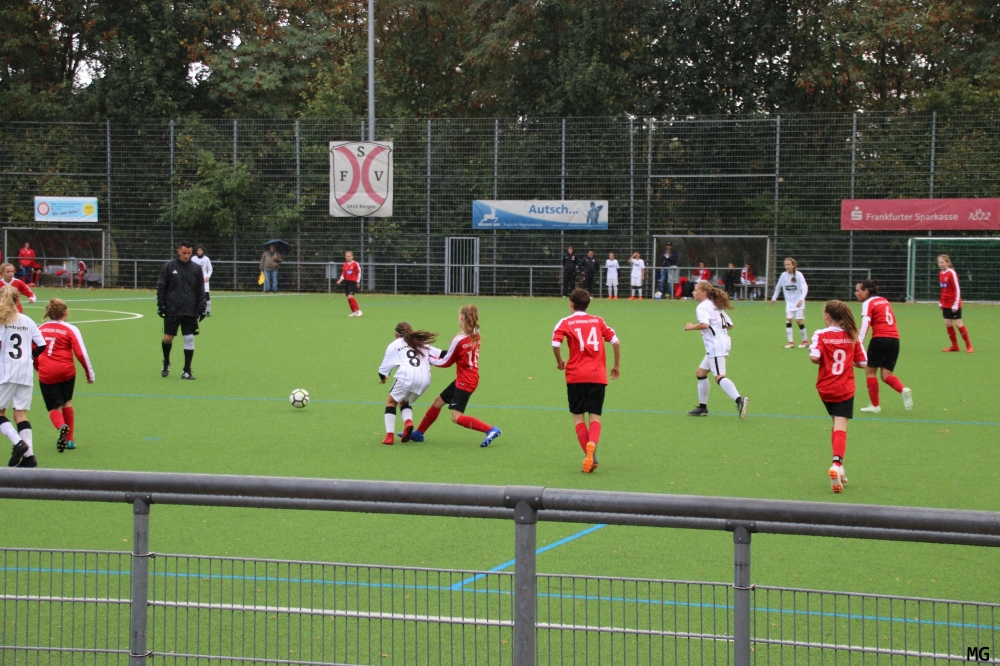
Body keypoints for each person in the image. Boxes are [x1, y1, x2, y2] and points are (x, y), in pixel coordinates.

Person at [410, 305, 502, 447]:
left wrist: (427, 359)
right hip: (469, 377)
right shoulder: (476, 333)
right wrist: (428, 349)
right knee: (438, 402)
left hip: (465, 381)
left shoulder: (459, 339)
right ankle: (419, 433)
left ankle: (490, 429)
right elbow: (451, 355)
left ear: (462, 318)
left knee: (456, 417)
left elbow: (446, 362)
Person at [552, 288, 621, 473]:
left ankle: (589, 455)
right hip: (597, 376)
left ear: (571, 304)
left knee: (578, 417)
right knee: (595, 416)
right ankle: (592, 447)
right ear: (587, 304)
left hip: (575, 376)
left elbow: (555, 343)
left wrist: (559, 361)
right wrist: (616, 365)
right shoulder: (598, 321)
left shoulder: (565, 322)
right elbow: (616, 342)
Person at [809, 300, 867, 493]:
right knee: (841, 428)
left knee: (836, 426)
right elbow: (863, 362)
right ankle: (837, 464)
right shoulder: (851, 336)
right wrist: (849, 360)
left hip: (825, 388)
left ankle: (841, 469)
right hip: (844, 388)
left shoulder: (820, 334)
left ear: (826, 316)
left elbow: (814, 357)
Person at [36, 299, 95, 452]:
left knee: (53, 408)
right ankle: (70, 440)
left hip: (47, 372)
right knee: (67, 402)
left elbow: (33, 351)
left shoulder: (40, 328)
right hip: (66, 371)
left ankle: (62, 426)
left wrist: (38, 367)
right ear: (65, 313)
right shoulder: (71, 329)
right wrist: (89, 373)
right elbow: (81, 353)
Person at [684, 281, 749, 418]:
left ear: (703, 292)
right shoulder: (714, 305)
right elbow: (729, 325)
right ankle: (702, 407)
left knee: (719, 376)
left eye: (696, 290)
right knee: (700, 373)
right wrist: (714, 330)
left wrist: (691, 327)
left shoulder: (702, 307)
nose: (693, 292)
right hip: (722, 342)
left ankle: (739, 400)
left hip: (715, 345)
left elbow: (705, 325)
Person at [0, 287, 46, 468]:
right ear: (18, 300)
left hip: (6, 372)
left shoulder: (2, 320)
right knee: (20, 413)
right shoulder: (27, 320)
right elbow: (41, 345)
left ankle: (18, 442)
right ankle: (29, 457)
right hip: (25, 372)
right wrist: (29, 357)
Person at [855, 280, 912, 414]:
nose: (856, 293)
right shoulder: (884, 301)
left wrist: (858, 342)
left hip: (879, 339)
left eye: (858, 290)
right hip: (894, 340)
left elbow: (865, 323)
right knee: (886, 374)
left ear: (866, 291)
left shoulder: (868, 303)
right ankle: (903, 389)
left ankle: (875, 406)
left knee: (870, 372)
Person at [379, 322, 437, 445]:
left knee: (391, 402)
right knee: (404, 401)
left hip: (407, 377)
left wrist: (383, 378)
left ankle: (389, 436)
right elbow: (441, 354)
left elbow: (383, 370)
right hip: (425, 380)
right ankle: (408, 422)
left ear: (396, 334)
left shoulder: (394, 345)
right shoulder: (420, 342)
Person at [157, 241, 207, 380]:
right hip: (172, 309)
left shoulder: (196, 269)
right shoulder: (169, 267)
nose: (186, 256)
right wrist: (161, 305)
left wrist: (202, 308)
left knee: (189, 338)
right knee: (167, 339)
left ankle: (187, 370)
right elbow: (161, 286)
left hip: (189, 309)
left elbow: (200, 289)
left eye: (189, 253)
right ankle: (166, 362)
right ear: (178, 251)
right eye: (184, 253)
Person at [771, 257, 809, 349]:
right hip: (789, 303)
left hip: (799, 303)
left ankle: (805, 341)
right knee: (788, 320)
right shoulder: (783, 276)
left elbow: (805, 288)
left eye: (788, 264)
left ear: (793, 265)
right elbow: (778, 288)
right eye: (785, 265)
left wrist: (801, 300)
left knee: (799, 321)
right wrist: (774, 298)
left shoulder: (799, 275)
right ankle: (790, 342)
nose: (787, 266)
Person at [938, 254, 972, 353]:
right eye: (939, 262)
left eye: (942, 262)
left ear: (947, 262)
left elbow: (957, 289)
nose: (940, 264)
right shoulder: (941, 274)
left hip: (954, 303)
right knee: (948, 323)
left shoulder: (951, 273)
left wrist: (956, 304)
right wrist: (941, 302)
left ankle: (969, 345)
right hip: (945, 303)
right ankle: (955, 346)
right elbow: (943, 289)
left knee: (958, 324)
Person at [336, 251, 362, 317]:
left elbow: (359, 273)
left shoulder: (355, 263)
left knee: (350, 296)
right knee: (348, 298)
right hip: (347, 282)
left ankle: (358, 310)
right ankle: (354, 312)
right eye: (347, 256)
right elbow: (343, 274)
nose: (348, 257)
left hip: (353, 282)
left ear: (352, 256)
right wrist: (340, 280)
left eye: (349, 256)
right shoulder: (345, 265)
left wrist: (358, 282)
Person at [190, 246, 213, 316]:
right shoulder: (193, 259)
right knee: (195, 294)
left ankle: (208, 311)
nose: (199, 252)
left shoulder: (206, 259)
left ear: (203, 251)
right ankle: (196, 310)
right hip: (195, 279)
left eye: (201, 250)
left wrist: (208, 276)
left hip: (204, 279)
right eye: (198, 250)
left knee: (206, 295)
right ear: (196, 251)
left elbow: (210, 269)